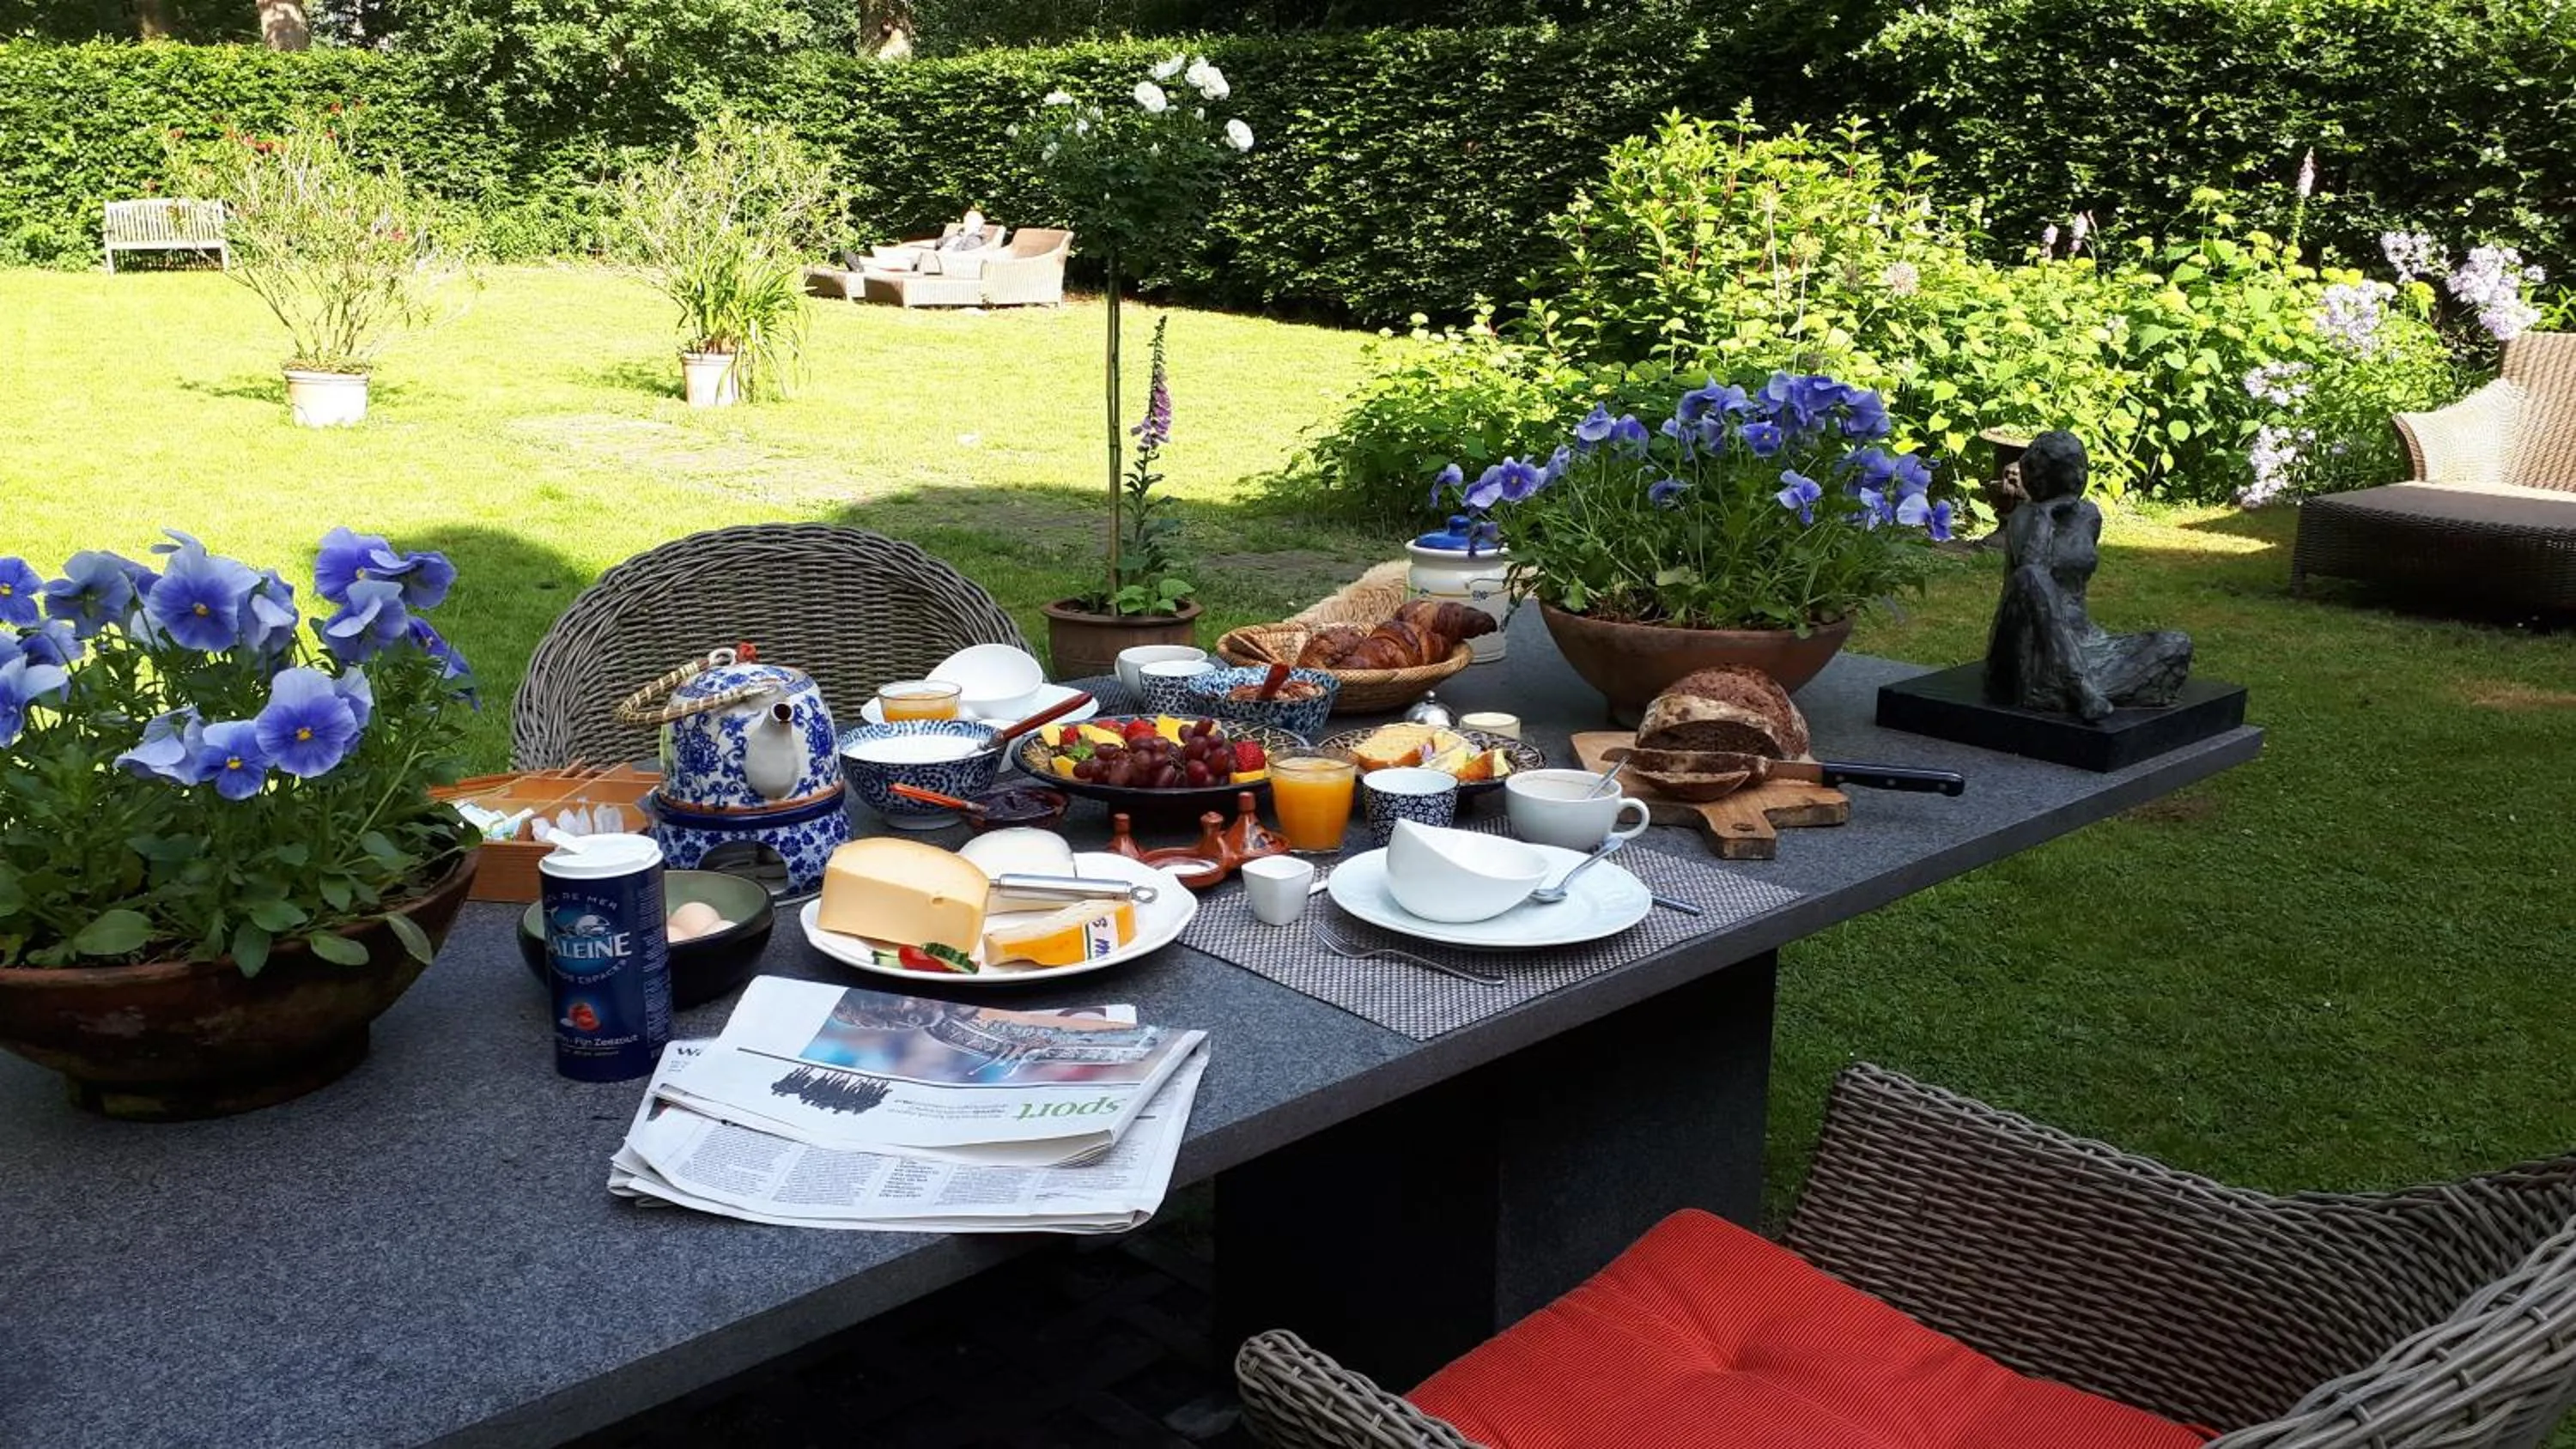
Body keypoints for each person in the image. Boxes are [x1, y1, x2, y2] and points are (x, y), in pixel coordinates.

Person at [1983, 430, 2192, 720]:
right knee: (2031, 575)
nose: (2079, 477)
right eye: (2069, 469)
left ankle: (2068, 689)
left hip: (2084, 639)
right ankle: (2077, 684)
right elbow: (2031, 571)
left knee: (2175, 643)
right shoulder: (2025, 517)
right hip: (2029, 641)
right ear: (2043, 476)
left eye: (2081, 466)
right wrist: (2045, 515)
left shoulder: (2088, 516)